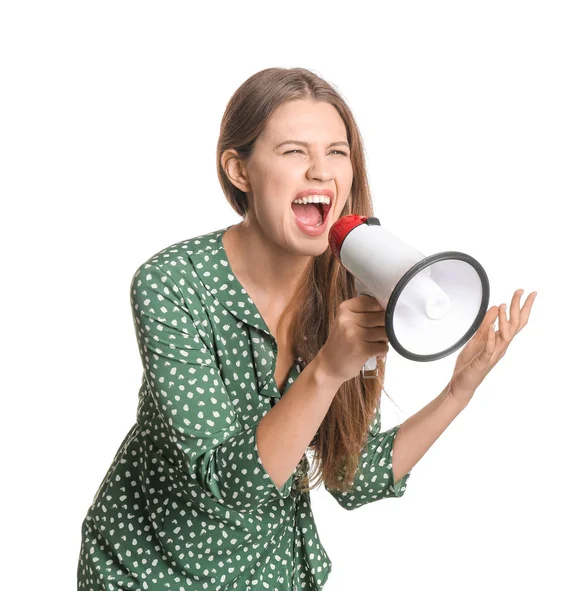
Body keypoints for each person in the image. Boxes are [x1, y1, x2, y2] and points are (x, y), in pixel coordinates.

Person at [77, 67, 536, 591]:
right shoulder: (173, 285)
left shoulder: (348, 288)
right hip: (148, 572)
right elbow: (229, 485)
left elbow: (351, 477)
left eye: (337, 152)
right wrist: (327, 370)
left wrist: (458, 391)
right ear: (239, 170)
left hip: (275, 575)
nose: (321, 171)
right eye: (295, 151)